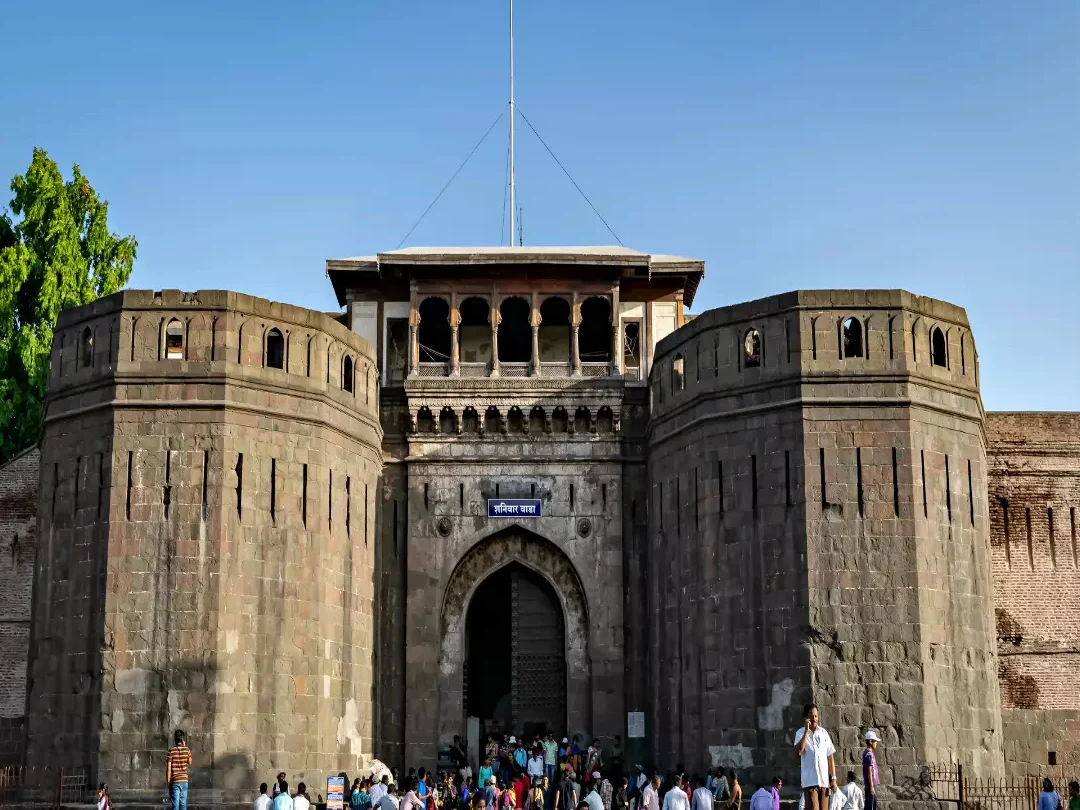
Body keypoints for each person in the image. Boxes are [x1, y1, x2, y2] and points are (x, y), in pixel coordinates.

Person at [794, 704, 836, 810]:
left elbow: (830, 757)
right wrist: (806, 731)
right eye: (811, 716)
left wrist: (833, 779)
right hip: (810, 781)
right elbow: (799, 751)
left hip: (824, 781)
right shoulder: (800, 733)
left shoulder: (823, 733)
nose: (814, 719)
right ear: (806, 717)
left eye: (816, 716)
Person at [166, 730, 193, 810]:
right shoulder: (187, 750)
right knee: (183, 804)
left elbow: (168, 768)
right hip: (184, 780)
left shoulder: (171, 751)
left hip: (175, 781)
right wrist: (185, 747)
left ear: (174, 739)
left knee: (175, 804)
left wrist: (168, 781)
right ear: (182, 738)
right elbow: (189, 762)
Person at [862, 731, 880, 810]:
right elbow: (869, 770)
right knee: (871, 805)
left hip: (870, 784)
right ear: (870, 741)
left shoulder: (867, 753)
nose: (876, 743)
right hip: (871, 784)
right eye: (875, 741)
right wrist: (872, 786)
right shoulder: (869, 754)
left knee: (870, 804)